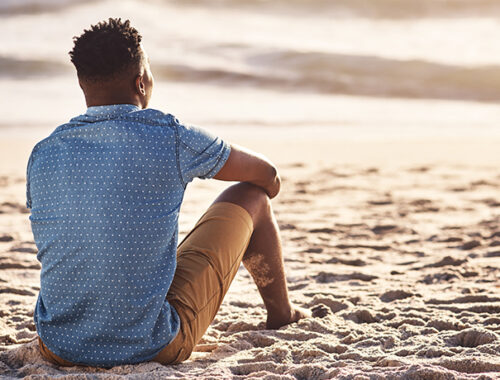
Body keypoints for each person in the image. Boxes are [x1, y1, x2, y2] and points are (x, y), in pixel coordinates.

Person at [26, 18, 309, 367]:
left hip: (58, 347)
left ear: (84, 85)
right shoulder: (169, 135)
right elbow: (267, 174)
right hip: (151, 345)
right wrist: (270, 190)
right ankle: (283, 314)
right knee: (252, 197)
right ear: (141, 82)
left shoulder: (45, 151)